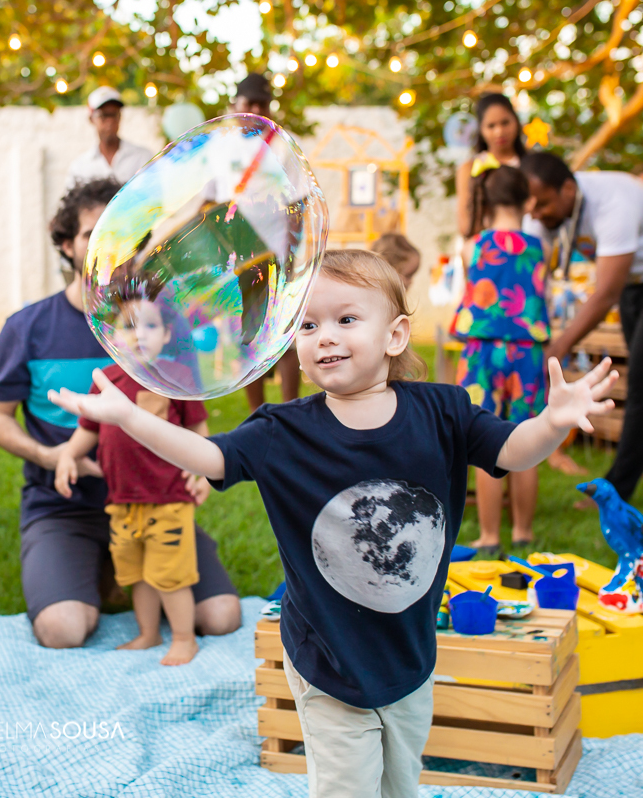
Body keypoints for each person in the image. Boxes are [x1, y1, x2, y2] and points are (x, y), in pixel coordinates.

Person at [49, 248, 616, 797]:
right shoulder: (282, 431)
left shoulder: (443, 411)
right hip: (328, 660)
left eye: (346, 319)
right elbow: (211, 457)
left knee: (400, 784)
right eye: (308, 324)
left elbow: (512, 451)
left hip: (410, 655)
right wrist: (128, 418)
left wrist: (551, 423)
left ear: (395, 336)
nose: (324, 335)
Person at [0, 177, 241, 650]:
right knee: (63, 629)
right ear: (66, 244)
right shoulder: (27, 327)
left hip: (157, 500)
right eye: (93, 234)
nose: (110, 245)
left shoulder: (162, 327)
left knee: (221, 616)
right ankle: (99, 566)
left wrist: (198, 466)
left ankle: (122, 567)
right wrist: (51, 456)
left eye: (124, 233)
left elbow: (191, 416)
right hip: (65, 506)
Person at [54, 297, 211, 666]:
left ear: (167, 335)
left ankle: (184, 639)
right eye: (129, 326)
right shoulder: (107, 381)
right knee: (137, 573)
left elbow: (198, 429)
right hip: (122, 500)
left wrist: (202, 472)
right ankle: (148, 633)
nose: (140, 334)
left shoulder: (176, 377)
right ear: (112, 336)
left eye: (150, 326)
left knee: (170, 575)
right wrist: (67, 455)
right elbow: (88, 428)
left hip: (169, 498)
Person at [522, 151, 643, 501]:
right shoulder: (542, 210)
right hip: (634, 286)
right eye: (531, 205)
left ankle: (614, 492)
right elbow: (532, 277)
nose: (535, 213)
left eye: (543, 204)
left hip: (625, 285)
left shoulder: (615, 203)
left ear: (568, 190)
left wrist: (559, 347)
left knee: (639, 388)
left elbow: (605, 294)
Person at [451, 164, 548, 554]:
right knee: (529, 438)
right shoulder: (542, 247)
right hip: (527, 352)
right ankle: (523, 531)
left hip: (482, 351)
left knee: (484, 440)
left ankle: (490, 535)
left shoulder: (471, 246)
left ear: (486, 201)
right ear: (529, 201)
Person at [229, 72, 302, 413]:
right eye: (250, 103)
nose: (256, 110)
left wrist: (291, 256)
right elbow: (210, 200)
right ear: (236, 105)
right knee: (250, 335)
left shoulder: (284, 144)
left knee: (285, 336)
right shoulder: (222, 146)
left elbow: (297, 204)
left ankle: (291, 412)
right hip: (240, 257)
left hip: (277, 252)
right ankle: (257, 415)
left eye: (263, 103)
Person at [456, 93, 526, 240]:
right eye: (491, 126)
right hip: (485, 248)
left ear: (516, 121)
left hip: (527, 247)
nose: (499, 131)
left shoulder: (530, 164)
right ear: (481, 129)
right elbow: (465, 224)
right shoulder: (470, 169)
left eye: (505, 123)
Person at [64, 86, 153, 190]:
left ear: (120, 117)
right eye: (104, 115)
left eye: (114, 114)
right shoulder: (80, 167)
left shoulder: (143, 158)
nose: (110, 121)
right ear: (91, 119)